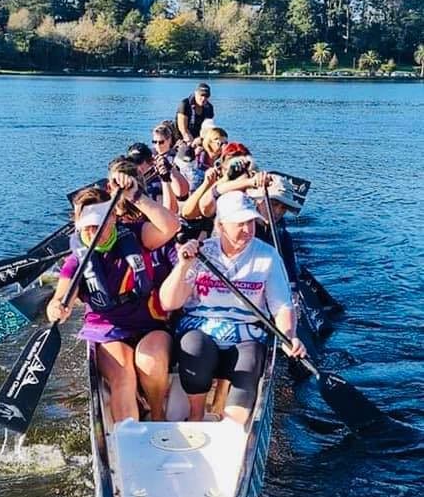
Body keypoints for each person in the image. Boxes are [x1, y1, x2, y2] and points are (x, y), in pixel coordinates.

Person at [159, 191, 306, 424]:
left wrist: (289, 337)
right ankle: (196, 415)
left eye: (251, 222)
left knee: (249, 365)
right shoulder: (201, 252)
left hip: (245, 334)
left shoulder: (267, 256)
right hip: (201, 331)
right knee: (193, 347)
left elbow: (281, 307)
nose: (248, 230)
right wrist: (183, 265)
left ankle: (233, 429)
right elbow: (169, 303)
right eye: (240, 223)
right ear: (221, 226)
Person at [46, 177, 180, 422]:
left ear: (113, 219)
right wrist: (57, 308)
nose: (92, 232)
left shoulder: (138, 236)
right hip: (107, 328)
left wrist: (135, 195)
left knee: (149, 361)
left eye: (98, 225)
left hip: (149, 323)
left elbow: (171, 226)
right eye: (85, 226)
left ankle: (157, 415)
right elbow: (60, 296)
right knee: (124, 375)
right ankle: (128, 438)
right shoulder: (76, 260)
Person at [247, 174, 302, 287]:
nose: (278, 211)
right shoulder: (241, 230)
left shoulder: (283, 236)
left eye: (283, 208)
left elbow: (290, 273)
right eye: (273, 204)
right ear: (258, 201)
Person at [150, 122, 189, 199]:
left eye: (161, 142)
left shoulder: (176, 157)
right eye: (154, 142)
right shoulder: (150, 154)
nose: (157, 145)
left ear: (169, 140)